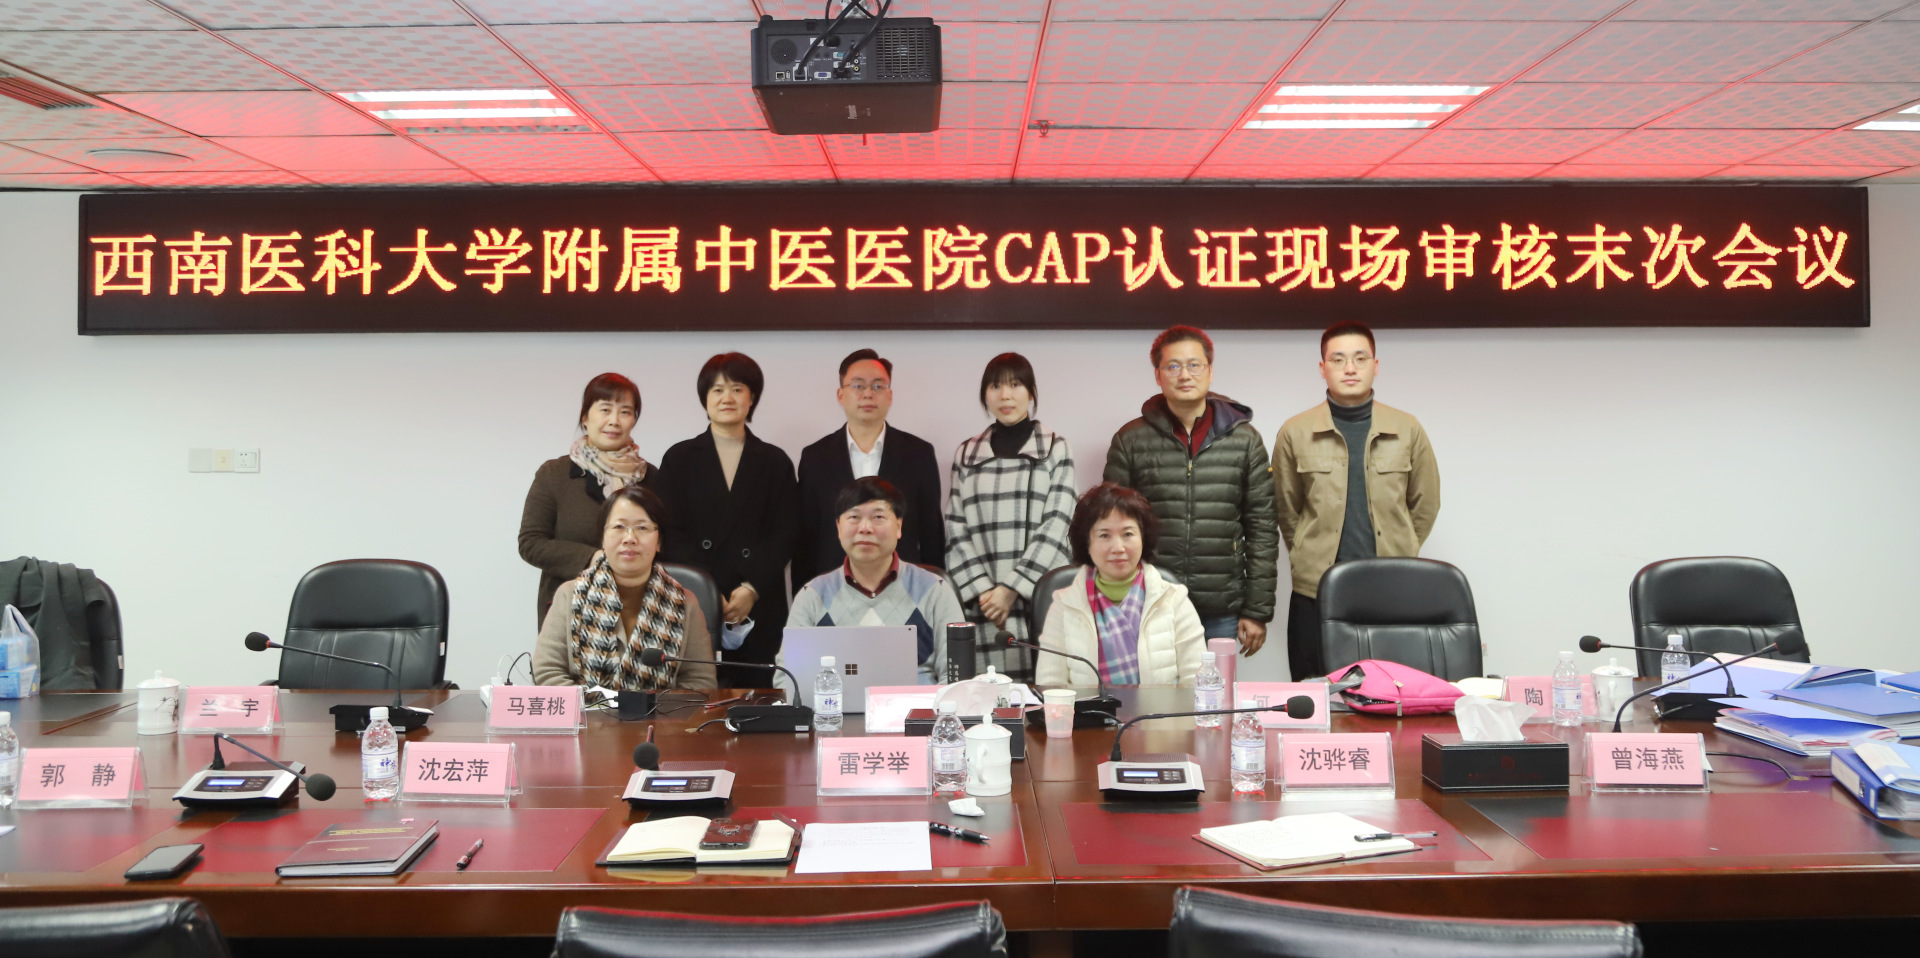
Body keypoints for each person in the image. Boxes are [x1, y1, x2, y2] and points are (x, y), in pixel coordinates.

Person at [1274, 320, 1440, 680]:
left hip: (1391, 588)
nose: (1349, 368)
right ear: (1323, 368)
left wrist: (1402, 546)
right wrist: (1304, 549)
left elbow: (1425, 503)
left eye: (1360, 359)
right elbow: (1287, 508)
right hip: (1316, 591)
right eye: (1338, 360)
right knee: (1316, 690)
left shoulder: (1407, 428)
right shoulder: (1295, 432)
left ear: (1375, 365)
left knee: (1391, 689)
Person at [1103, 325, 1279, 656]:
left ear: (1210, 370)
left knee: (1215, 688)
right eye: (1173, 366)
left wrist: (1257, 610)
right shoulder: (1130, 440)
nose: (1185, 375)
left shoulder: (1245, 441)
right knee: (1150, 688)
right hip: (1148, 600)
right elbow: (1112, 526)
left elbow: (1263, 529)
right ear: (1158, 375)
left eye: (1194, 365)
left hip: (1221, 605)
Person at [658, 353, 799, 685]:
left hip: (759, 602)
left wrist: (750, 588)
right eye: (717, 390)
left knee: (761, 698)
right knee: (695, 697)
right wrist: (708, 590)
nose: (727, 398)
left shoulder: (775, 461)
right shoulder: (679, 458)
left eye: (737, 389)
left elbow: (787, 532)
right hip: (694, 600)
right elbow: (670, 531)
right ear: (705, 399)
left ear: (752, 398)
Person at [943, 353, 1076, 682]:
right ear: (985, 395)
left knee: (1043, 692)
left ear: (1031, 392)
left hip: (1038, 595)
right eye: (995, 386)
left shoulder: (1055, 448)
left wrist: (1012, 588)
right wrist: (986, 592)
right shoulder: (967, 453)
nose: (1005, 395)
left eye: (1015, 385)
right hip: (984, 603)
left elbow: (1058, 523)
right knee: (984, 693)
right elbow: (955, 527)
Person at [533, 484, 715, 691]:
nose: (630, 538)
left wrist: (651, 708)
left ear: (659, 542)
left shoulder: (684, 603)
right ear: (603, 538)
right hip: (586, 711)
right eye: (619, 527)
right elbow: (547, 672)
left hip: (661, 712)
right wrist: (596, 708)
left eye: (642, 528)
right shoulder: (570, 595)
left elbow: (700, 682)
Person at [787, 477, 964, 685]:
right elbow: (789, 677)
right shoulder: (812, 595)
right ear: (838, 527)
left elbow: (957, 677)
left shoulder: (935, 590)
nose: (865, 528)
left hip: (918, 705)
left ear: (898, 526)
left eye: (878, 517)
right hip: (835, 705)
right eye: (854, 517)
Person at [520, 373, 664, 627]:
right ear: (585, 417)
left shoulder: (651, 477)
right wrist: (594, 558)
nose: (614, 421)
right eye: (605, 410)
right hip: (570, 611)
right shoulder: (554, 474)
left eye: (625, 412)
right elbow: (531, 543)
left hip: (639, 612)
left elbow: (665, 542)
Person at [794, 348, 945, 584]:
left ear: (890, 395)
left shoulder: (918, 454)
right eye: (858, 385)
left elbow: (931, 534)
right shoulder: (815, 457)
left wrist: (933, 590)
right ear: (840, 395)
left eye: (877, 386)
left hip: (904, 587)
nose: (868, 394)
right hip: (833, 588)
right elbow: (806, 538)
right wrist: (804, 594)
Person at [1035, 483, 1205, 688]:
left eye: (1128, 534)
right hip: (1086, 710)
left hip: (1162, 709)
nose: (1118, 547)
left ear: (1143, 537)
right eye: (1104, 535)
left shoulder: (1174, 599)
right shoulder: (1064, 604)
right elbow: (1050, 685)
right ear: (1087, 543)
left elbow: (1197, 681)